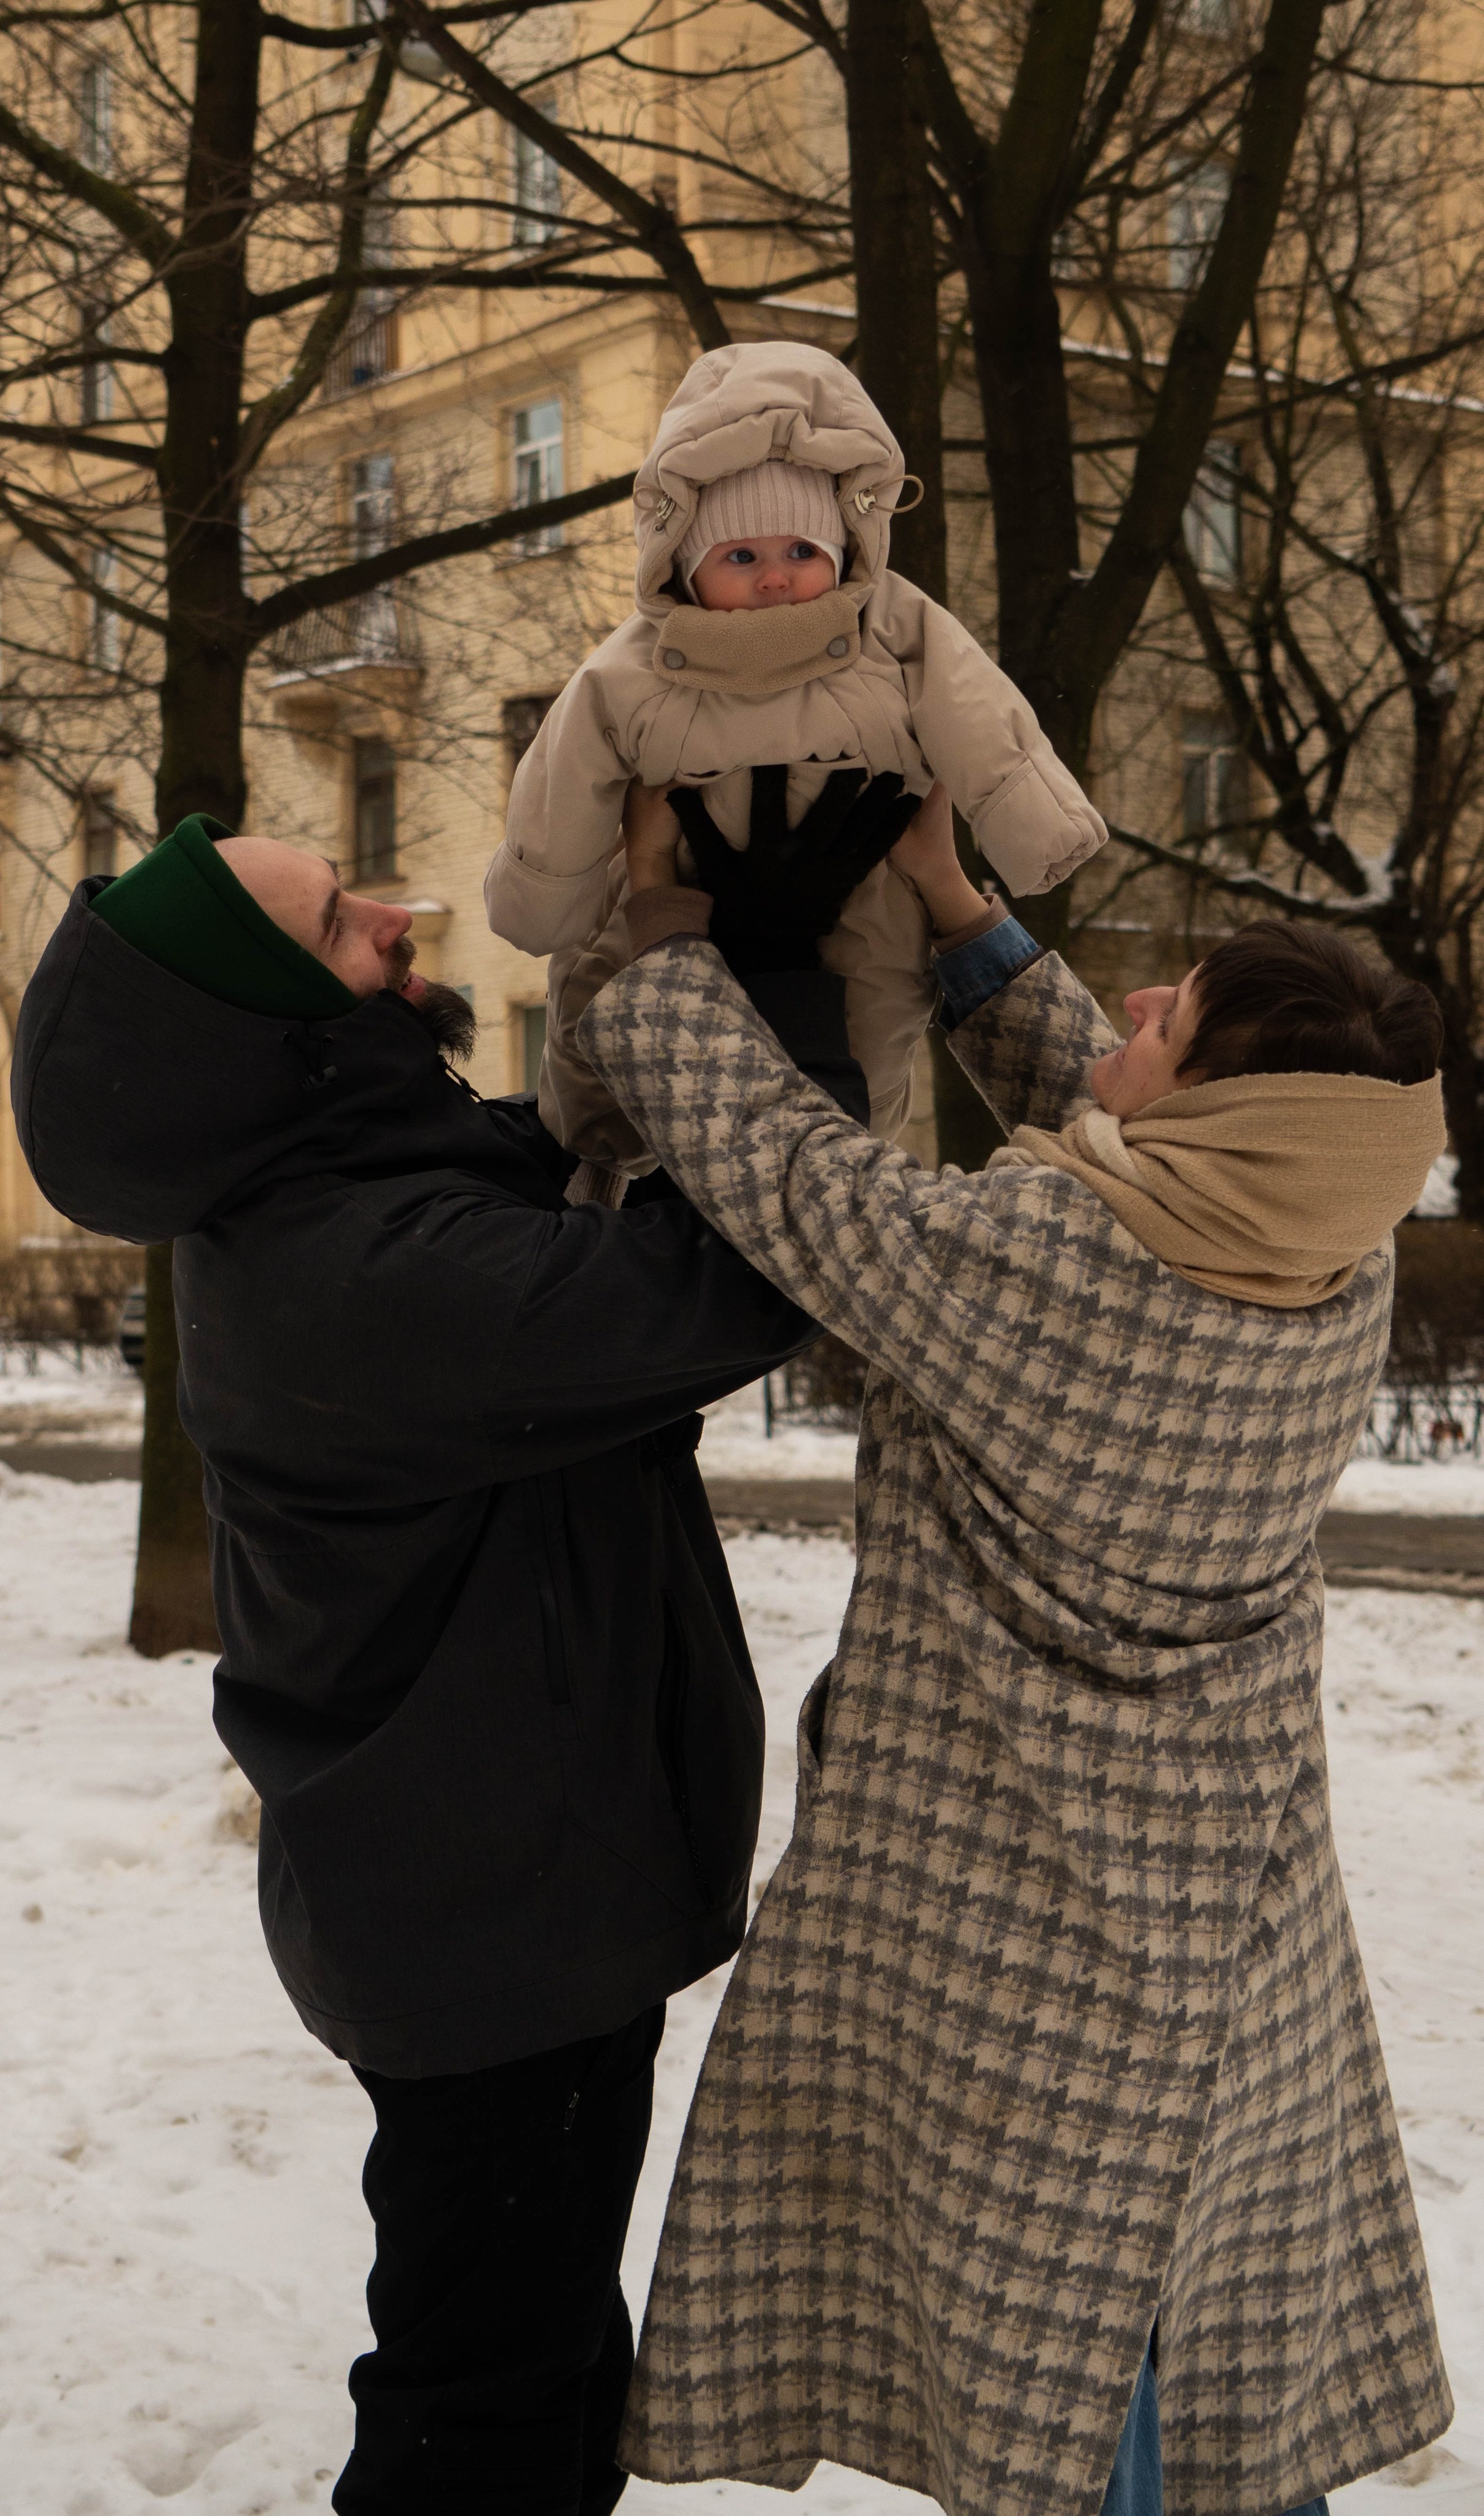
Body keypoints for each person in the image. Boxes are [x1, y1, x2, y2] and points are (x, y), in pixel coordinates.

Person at [570, 781, 1456, 2516]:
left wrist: (662, 937)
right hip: (1236, 1930)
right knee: (1200, 2336)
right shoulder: (1329, 1266)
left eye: (1174, 1020)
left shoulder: (1046, 1271)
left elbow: (792, 1176)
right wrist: (962, 911)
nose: (1137, 1001)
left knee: (1076, 2372)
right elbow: (1153, 1143)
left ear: (1230, 1115)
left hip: (1039, 1940)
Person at [8, 799, 896, 2515]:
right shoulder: (363, 1271)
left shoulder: (343, 1186)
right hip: (492, 1918)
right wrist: (782, 974)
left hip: (483, 1889)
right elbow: (741, 1276)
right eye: (339, 922)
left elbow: (548, 1161)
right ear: (274, 1029)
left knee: (538, 2362)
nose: (396, 917)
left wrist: (709, 964)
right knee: (478, 2407)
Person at [483, 338, 1106, 1198]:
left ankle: (845, 1164)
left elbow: (978, 711)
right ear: (683, 564)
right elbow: (568, 768)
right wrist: (545, 896)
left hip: (866, 882)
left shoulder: (896, 624)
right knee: (605, 997)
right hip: (673, 879)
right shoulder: (637, 659)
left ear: (845, 547)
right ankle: (597, 1157)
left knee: (869, 1017)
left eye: (802, 552)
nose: (777, 578)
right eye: (742, 558)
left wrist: (1036, 827)